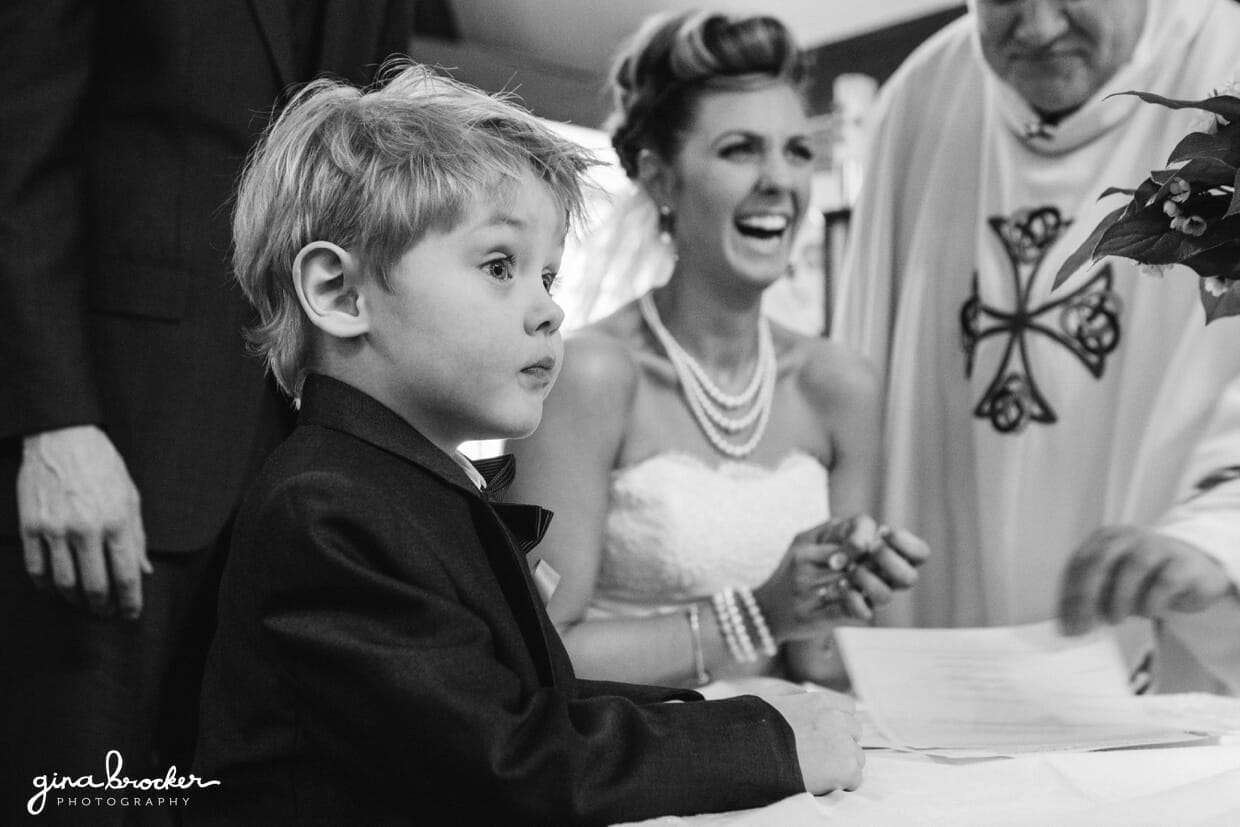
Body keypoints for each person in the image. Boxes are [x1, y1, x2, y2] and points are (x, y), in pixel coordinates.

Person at [188, 64, 865, 825]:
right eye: (500, 266)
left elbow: (536, 700)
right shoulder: (327, 511)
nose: (548, 312)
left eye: (548, 277)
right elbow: (502, 762)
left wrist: (739, 710)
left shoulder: (414, 486)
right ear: (342, 295)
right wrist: (767, 745)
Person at [0, 2, 417, 823]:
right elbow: (14, 162)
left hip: (301, 476)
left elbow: (390, 182)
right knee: (72, 799)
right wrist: (54, 425)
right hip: (116, 439)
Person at [508, 10, 928, 694]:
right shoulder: (587, 376)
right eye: (740, 149)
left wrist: (849, 590)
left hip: (794, 752)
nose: (779, 181)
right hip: (634, 758)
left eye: (796, 151)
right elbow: (540, 652)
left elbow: (821, 659)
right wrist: (757, 615)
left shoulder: (839, 384)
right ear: (660, 177)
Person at [832, 0, 1240, 693]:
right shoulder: (922, 95)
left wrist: (1220, 541)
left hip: (1175, 657)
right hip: (952, 656)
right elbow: (865, 377)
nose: (1039, 26)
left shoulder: (1225, 68)